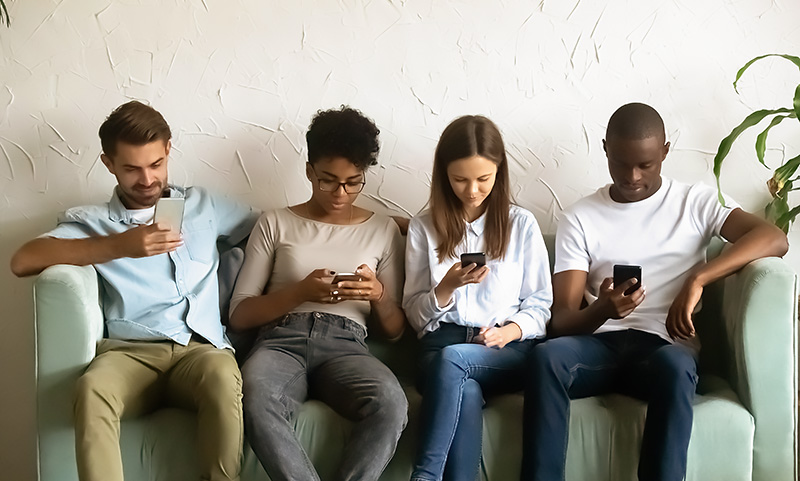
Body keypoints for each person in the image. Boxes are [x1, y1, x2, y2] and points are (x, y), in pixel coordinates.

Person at [520, 102, 789, 481]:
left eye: (645, 164)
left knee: (676, 365)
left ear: (664, 152)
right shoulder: (579, 217)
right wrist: (603, 310)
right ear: (605, 149)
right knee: (546, 357)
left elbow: (773, 237)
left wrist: (699, 279)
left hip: (662, 350)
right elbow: (562, 320)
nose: (632, 176)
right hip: (598, 349)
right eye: (621, 163)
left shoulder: (695, 202)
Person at [10, 100, 259, 481]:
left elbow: (275, 230)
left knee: (225, 379)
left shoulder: (203, 204)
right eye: (131, 169)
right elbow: (23, 260)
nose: (146, 179)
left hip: (200, 349)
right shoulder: (92, 222)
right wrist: (119, 246)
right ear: (109, 164)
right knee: (93, 388)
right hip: (130, 354)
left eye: (155, 165)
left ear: (168, 151)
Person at [228, 106, 408, 481]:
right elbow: (240, 314)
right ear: (309, 171)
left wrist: (378, 295)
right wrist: (300, 291)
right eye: (328, 180)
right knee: (256, 396)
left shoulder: (383, 229)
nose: (340, 193)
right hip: (280, 341)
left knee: (391, 402)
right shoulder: (275, 222)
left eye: (353, 182)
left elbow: (395, 331)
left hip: (347, 344)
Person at [403, 115, 553, 481]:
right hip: (439, 349)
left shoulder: (521, 225)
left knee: (456, 362)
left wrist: (510, 331)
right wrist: (445, 288)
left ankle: (425, 476)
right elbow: (413, 315)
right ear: (443, 176)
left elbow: (541, 305)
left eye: (483, 179)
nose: (472, 190)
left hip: (504, 351)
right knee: (463, 390)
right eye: (460, 180)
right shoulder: (423, 227)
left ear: (499, 173)